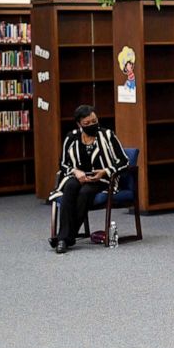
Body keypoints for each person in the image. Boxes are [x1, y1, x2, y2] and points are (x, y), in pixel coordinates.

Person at [48, 105, 129, 254]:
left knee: (85, 192)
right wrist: (75, 171)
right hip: (77, 176)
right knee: (70, 187)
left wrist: (105, 171)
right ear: (79, 124)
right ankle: (66, 238)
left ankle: (63, 238)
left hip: (101, 179)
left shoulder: (108, 136)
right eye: (87, 123)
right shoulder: (71, 137)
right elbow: (63, 163)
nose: (92, 125)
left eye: (94, 121)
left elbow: (124, 161)